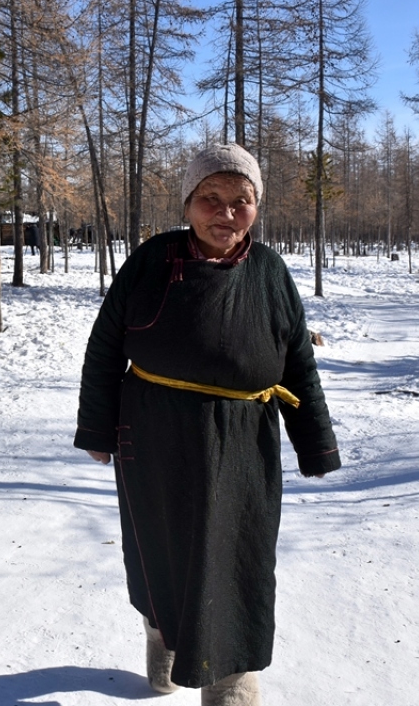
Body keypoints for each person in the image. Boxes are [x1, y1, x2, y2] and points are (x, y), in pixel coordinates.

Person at [73, 143, 340, 706]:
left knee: (239, 560)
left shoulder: (269, 272)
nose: (225, 213)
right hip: (153, 435)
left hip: (245, 442)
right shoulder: (151, 262)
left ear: (257, 206)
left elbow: (297, 359)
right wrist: (98, 430)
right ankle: (163, 634)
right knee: (164, 552)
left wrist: (315, 444)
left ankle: (233, 682)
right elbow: (104, 349)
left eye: (240, 201)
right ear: (189, 203)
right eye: (210, 199)